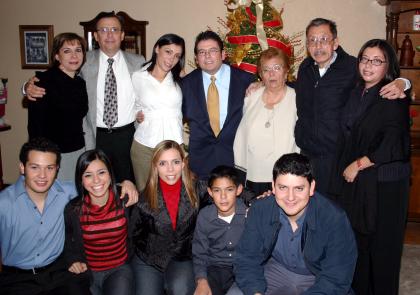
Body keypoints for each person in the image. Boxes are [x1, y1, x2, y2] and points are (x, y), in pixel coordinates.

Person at [0, 137, 138, 295]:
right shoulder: (4, 204)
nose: (42, 175)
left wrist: (127, 183)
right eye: (35, 167)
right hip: (18, 279)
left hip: (59, 273)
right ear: (22, 167)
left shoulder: (67, 192)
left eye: (49, 168)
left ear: (57, 168)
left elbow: (97, 186)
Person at [329, 39, 410, 295]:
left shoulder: (392, 93)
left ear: (388, 66)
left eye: (377, 61)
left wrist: (359, 163)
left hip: (386, 183)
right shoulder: (356, 91)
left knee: (383, 250)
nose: (368, 65)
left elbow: (393, 144)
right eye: (364, 58)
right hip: (362, 184)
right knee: (360, 246)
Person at [25, 11, 145, 183]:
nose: (109, 35)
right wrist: (27, 87)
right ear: (96, 36)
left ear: (122, 35)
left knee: (127, 184)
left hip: (127, 135)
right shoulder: (82, 60)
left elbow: (153, 87)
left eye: (114, 29)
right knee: (95, 185)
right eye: (103, 30)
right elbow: (53, 77)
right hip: (95, 136)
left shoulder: (138, 61)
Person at [293, 18, 409, 195]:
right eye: (312, 40)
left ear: (335, 42)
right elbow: (299, 90)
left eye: (324, 39)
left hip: (337, 155)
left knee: (333, 212)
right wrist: (261, 85)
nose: (318, 46)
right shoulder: (305, 67)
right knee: (307, 209)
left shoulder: (352, 67)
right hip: (307, 153)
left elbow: (381, 80)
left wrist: (403, 82)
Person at [234, 153, 357, 295]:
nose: (290, 197)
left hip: (317, 278)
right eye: (283, 187)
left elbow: (336, 277)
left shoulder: (334, 218)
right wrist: (255, 292)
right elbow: (246, 259)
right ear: (273, 187)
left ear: (311, 188)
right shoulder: (260, 209)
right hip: (275, 272)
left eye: (299, 188)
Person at [130, 140, 209, 295]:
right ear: (155, 167)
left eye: (175, 162)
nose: (170, 169)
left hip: (182, 256)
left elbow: (224, 188)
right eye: (163, 163)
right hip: (149, 259)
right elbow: (132, 234)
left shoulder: (197, 189)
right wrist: (124, 183)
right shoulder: (143, 199)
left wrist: (255, 198)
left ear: (183, 164)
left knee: (181, 289)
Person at [181, 30, 255, 183]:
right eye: (202, 52)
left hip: (235, 161)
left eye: (213, 51)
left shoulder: (245, 80)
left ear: (222, 54)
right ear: (196, 58)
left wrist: (260, 84)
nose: (207, 56)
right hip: (200, 165)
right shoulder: (186, 84)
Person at [64, 149, 134, 295]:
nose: (96, 180)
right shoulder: (73, 209)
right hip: (86, 272)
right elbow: (67, 240)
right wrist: (73, 260)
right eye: (88, 175)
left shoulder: (126, 200)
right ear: (81, 180)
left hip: (119, 270)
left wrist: (129, 183)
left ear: (110, 174)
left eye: (101, 172)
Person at [234, 47, 299, 196]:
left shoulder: (298, 98)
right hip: (253, 175)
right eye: (266, 69)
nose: (272, 74)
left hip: (286, 175)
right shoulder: (250, 97)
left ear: (286, 71)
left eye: (277, 68)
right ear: (261, 75)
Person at [27, 32, 88, 181]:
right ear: (56, 56)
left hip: (78, 150)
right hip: (52, 155)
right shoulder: (43, 82)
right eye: (67, 51)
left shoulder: (80, 83)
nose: (74, 56)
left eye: (78, 50)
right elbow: (35, 126)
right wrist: (42, 158)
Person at [130, 33, 185, 191]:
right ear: (157, 49)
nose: (171, 59)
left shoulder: (181, 79)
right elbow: (129, 105)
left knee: (174, 195)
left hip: (174, 147)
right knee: (146, 197)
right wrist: (136, 113)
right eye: (168, 52)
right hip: (144, 147)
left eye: (177, 55)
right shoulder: (137, 77)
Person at [192, 165, 245, 295]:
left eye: (229, 190)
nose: (223, 196)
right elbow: (199, 253)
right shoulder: (204, 216)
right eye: (217, 190)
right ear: (210, 192)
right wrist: (201, 280)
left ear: (238, 190)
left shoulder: (249, 214)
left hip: (243, 268)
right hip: (214, 269)